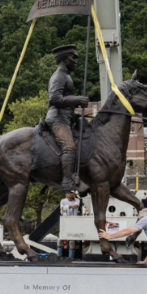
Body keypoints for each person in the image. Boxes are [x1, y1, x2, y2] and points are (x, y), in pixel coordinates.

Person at [46, 44, 90, 194]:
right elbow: (54, 98)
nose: (75, 61)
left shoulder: (66, 76)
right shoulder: (58, 76)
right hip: (58, 119)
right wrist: (77, 99)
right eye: (73, 57)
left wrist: (75, 113)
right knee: (69, 147)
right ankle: (67, 182)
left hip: (67, 117)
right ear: (65, 59)